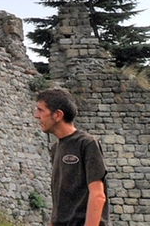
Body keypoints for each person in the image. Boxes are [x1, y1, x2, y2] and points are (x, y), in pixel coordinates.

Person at [34, 88, 107, 226]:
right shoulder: (56, 148)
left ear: (57, 115)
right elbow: (60, 205)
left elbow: (98, 195)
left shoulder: (87, 143)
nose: (36, 115)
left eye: (40, 110)